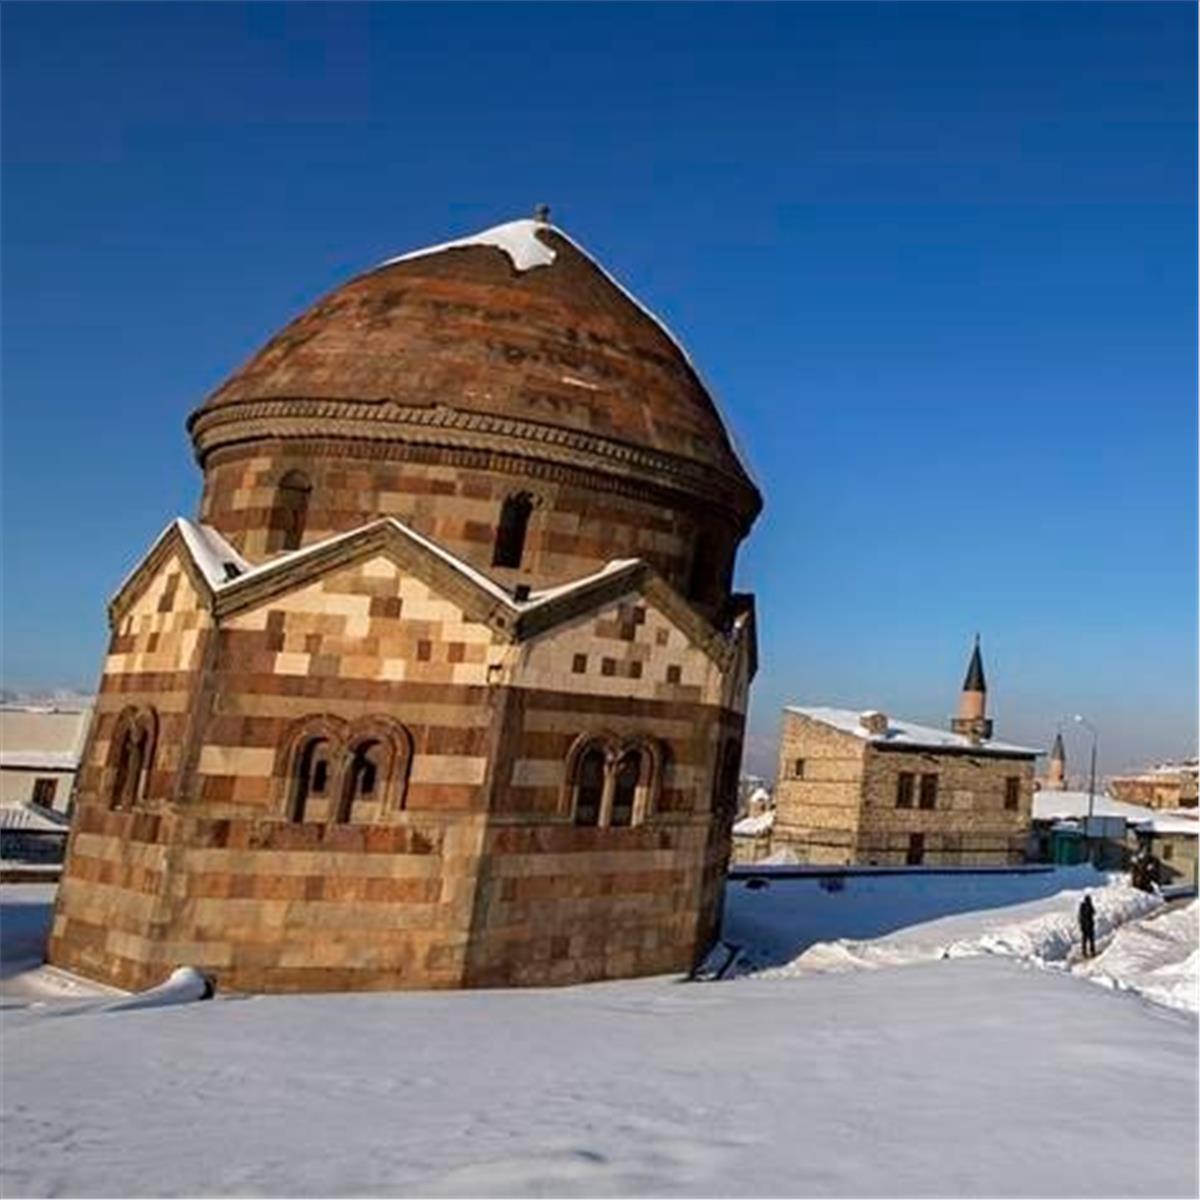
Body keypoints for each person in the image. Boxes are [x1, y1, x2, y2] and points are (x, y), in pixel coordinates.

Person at [1078, 893, 1097, 959]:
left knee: (1088, 940)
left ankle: (1088, 952)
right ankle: (1088, 952)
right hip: (1087, 926)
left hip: (1087, 926)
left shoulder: (1085, 906)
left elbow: (1093, 912)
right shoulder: (1083, 906)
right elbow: (1082, 916)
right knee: (1087, 940)